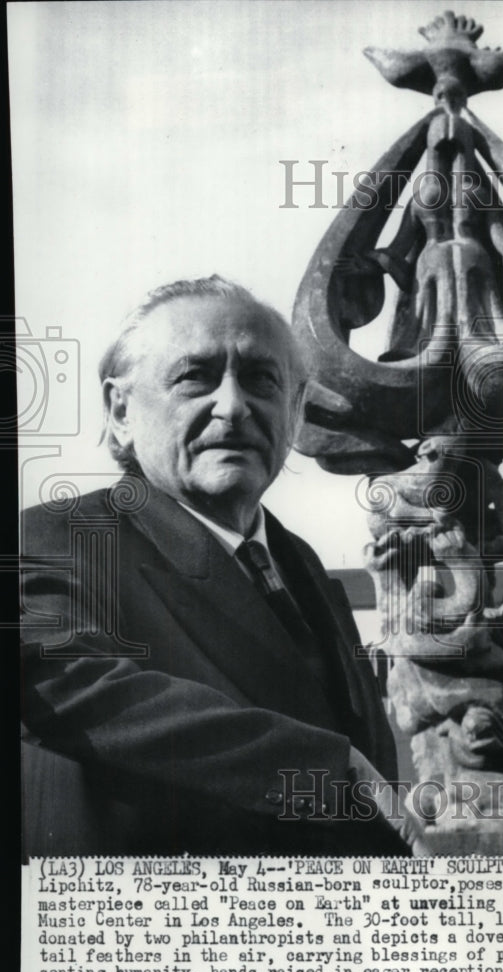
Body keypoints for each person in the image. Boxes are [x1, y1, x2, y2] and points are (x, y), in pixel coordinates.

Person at [20, 275, 427, 857]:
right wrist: (322, 769)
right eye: (195, 377)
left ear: (294, 410)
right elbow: (59, 685)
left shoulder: (302, 567)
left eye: (262, 380)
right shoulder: (52, 539)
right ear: (120, 411)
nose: (234, 406)